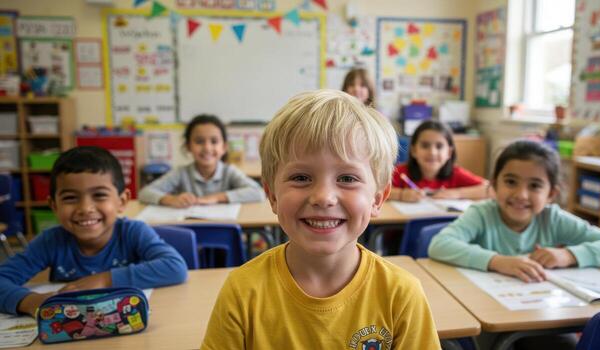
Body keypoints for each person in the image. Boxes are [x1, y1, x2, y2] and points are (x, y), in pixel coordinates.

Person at [201, 90, 440, 349]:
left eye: (347, 178)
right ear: (272, 196)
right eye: (301, 177)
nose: (324, 197)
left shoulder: (401, 295)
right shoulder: (242, 292)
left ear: (377, 199)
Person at [0, 146, 188, 316]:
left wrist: (105, 280)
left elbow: (175, 267)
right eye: (70, 197)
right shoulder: (51, 242)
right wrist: (30, 301)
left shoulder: (133, 232)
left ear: (122, 201)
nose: (85, 208)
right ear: (53, 205)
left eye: (99, 195)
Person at [429, 139, 600, 283]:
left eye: (535, 186)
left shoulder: (552, 218)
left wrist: (569, 255)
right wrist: (497, 261)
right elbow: (439, 245)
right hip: (488, 317)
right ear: (495, 184)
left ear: (551, 193)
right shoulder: (482, 214)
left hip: (539, 311)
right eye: (510, 182)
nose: (521, 195)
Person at [139, 114, 264, 208]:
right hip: (190, 230)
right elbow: (144, 193)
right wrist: (171, 199)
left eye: (214, 142)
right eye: (199, 141)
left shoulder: (228, 172)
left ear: (224, 147)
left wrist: (216, 198)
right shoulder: (181, 173)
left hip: (222, 228)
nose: (207, 148)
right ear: (188, 146)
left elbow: (258, 193)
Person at [390, 120, 489, 202]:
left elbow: (491, 189)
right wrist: (400, 194)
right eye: (425, 146)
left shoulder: (455, 173)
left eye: (439, 146)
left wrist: (456, 193)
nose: (432, 152)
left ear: (449, 152)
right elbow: (377, 191)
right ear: (414, 150)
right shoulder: (401, 172)